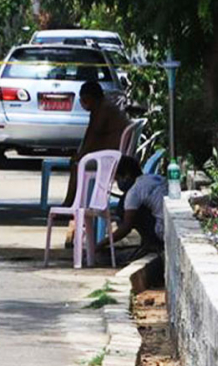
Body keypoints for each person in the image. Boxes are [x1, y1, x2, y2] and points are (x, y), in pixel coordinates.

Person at [61, 81, 130, 215]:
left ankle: (71, 203)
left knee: (77, 165)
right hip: (111, 152)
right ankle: (72, 203)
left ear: (92, 98)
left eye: (85, 100)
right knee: (78, 161)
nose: (83, 104)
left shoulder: (103, 109)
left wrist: (80, 156)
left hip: (110, 157)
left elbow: (93, 136)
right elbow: (90, 134)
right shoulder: (101, 107)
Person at [99, 155, 166, 259]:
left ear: (127, 176)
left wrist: (100, 245)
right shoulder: (153, 178)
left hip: (162, 231)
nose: (118, 183)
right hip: (169, 226)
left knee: (124, 208)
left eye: (118, 179)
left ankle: (151, 242)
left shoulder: (134, 192)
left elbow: (126, 227)